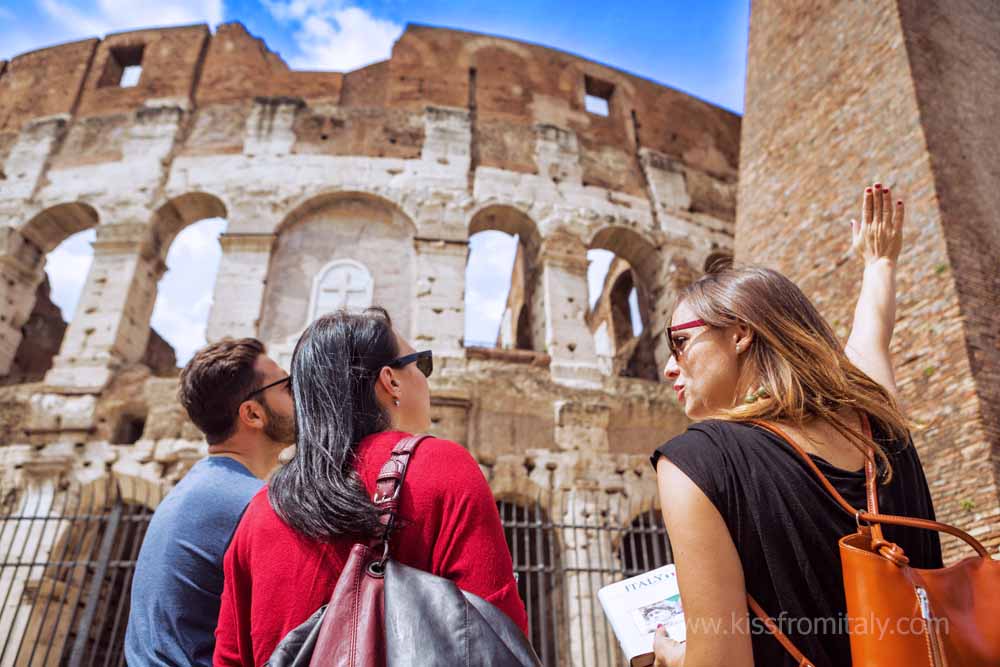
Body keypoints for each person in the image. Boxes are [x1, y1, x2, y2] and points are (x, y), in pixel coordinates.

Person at [650, 184, 942, 667]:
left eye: (678, 342)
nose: (669, 366)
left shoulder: (694, 463)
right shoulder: (877, 418)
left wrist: (673, 657)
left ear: (741, 333)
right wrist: (880, 262)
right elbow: (874, 330)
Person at [213, 308, 528, 666]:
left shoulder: (260, 510)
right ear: (390, 380)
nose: (426, 379)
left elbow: (230, 657)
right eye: (420, 365)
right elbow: (498, 636)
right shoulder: (442, 467)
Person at [125, 338, 295, 667]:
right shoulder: (252, 504)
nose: (300, 395)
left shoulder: (194, 489)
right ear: (253, 414)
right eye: (288, 387)